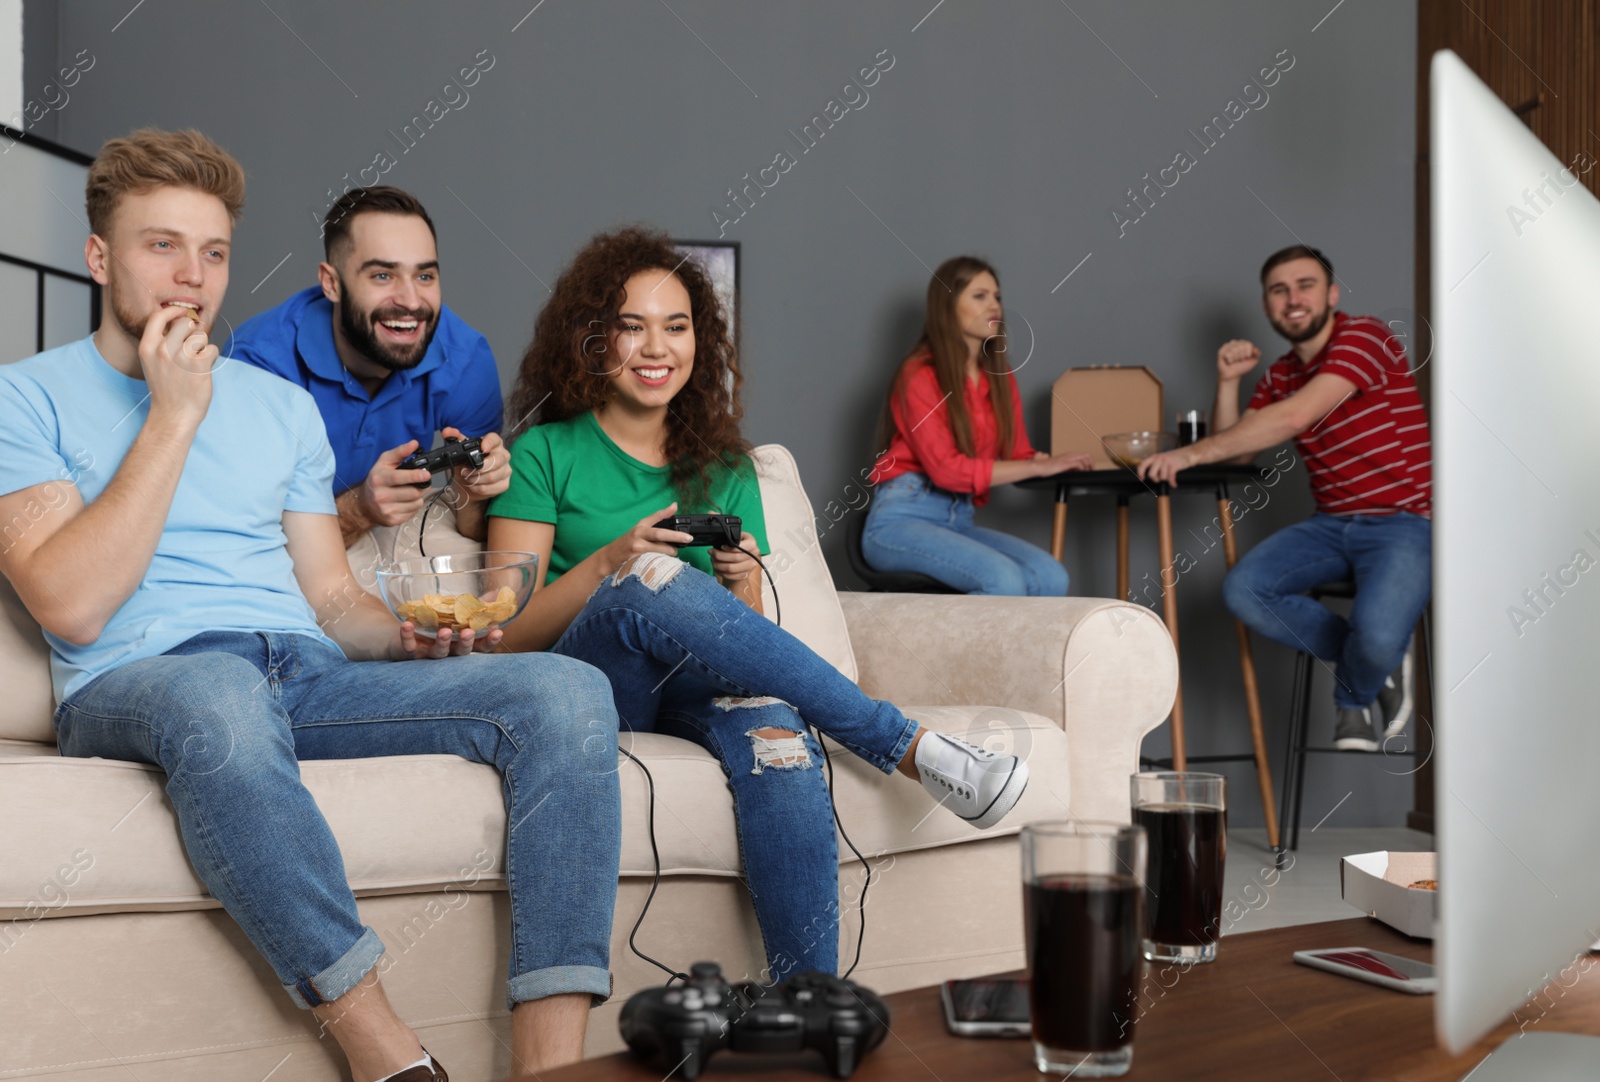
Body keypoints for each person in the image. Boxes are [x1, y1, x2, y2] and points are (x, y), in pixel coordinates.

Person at [0, 129, 620, 1081]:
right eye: (159, 245)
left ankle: (555, 1067)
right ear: (99, 258)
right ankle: (391, 1058)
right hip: (145, 682)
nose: (190, 277)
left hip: (305, 675)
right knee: (218, 691)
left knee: (566, 691)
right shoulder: (23, 398)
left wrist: (403, 637)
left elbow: (330, 599)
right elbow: (71, 608)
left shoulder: (275, 406)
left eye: (211, 253)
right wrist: (173, 415)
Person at [486, 227, 1030, 984]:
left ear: (700, 343)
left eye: (676, 327)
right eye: (632, 326)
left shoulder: (727, 468)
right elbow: (501, 635)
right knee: (651, 575)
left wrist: (742, 581)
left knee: (777, 737)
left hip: (695, 685)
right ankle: (905, 745)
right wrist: (615, 559)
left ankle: (808, 1005)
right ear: (592, 340)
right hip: (592, 685)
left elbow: (754, 651)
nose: (657, 347)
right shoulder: (543, 454)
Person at [1139, 245, 1430, 752]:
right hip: (1332, 524)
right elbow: (1235, 453)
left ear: (1332, 295)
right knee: (1244, 591)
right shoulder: (1279, 375)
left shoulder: (1365, 336)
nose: (1292, 298)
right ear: (1268, 305)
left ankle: (1353, 693)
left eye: (1306, 285)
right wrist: (1228, 383)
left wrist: (1187, 457)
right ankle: (1371, 666)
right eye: (1279, 290)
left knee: (1379, 636)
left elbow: (1294, 418)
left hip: (1403, 523)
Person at [227, 186, 509, 551]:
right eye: (382, 276)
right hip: (285, 545)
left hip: (394, 530)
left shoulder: (466, 356)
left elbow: (477, 532)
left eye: (424, 276)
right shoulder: (257, 367)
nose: (410, 301)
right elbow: (245, 545)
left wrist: (473, 490)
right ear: (332, 283)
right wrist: (359, 509)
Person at [862, 256, 1092, 595]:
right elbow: (947, 471)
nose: (994, 306)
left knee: (1050, 576)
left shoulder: (999, 377)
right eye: (979, 296)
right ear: (947, 304)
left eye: (997, 296)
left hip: (958, 519)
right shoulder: (920, 375)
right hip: (901, 518)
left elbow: (1018, 454)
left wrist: (1050, 462)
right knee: (1003, 579)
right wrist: (1038, 467)